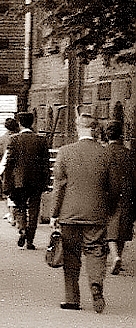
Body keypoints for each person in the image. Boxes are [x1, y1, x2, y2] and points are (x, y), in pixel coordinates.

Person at [48, 112, 121, 312]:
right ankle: (96, 285)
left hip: (69, 214)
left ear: (77, 127)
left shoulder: (65, 152)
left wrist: (54, 214)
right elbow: (114, 187)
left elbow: (59, 186)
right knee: (96, 250)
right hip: (96, 213)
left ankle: (72, 299)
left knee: (71, 255)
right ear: (95, 129)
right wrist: (109, 209)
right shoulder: (106, 153)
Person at [2, 111, 51, 250]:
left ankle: (22, 228)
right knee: (34, 210)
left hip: (19, 181)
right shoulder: (41, 140)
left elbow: (9, 163)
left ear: (20, 123)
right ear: (33, 122)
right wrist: (46, 182)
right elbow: (45, 163)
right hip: (36, 181)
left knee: (20, 207)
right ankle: (30, 240)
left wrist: (7, 183)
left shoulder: (14, 140)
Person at [104, 120, 135, 274]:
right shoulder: (129, 154)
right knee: (122, 228)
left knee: (110, 228)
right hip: (127, 195)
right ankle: (119, 256)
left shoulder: (104, 153)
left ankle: (115, 256)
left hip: (109, 194)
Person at [0, 114, 19, 213]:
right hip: (20, 168)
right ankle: (16, 212)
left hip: (6, 168)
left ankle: (11, 212)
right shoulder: (20, 136)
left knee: (9, 191)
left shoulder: (2, 139)